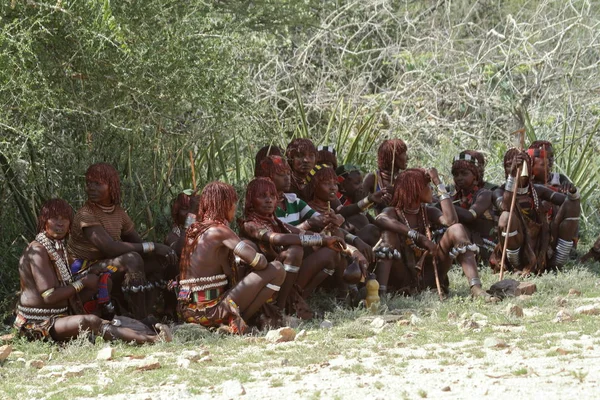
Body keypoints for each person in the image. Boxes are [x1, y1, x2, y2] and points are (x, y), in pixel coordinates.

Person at [15, 199, 170, 344]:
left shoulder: (57, 246)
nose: (60, 223)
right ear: (44, 221)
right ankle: (152, 340)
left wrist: (91, 280)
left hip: (61, 313)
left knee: (101, 284)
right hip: (38, 323)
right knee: (88, 322)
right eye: (54, 218)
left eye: (65, 219)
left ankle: (134, 328)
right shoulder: (38, 250)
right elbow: (49, 296)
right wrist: (82, 282)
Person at [67, 163, 177, 320]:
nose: (90, 188)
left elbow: (136, 242)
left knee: (162, 260)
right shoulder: (86, 214)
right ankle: (141, 319)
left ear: (111, 186)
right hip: (86, 270)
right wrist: (153, 246)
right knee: (132, 259)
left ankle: (167, 311)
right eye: (89, 183)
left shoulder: (118, 213)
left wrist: (158, 252)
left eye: (97, 184)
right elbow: (110, 248)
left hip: (109, 266)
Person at [176, 181, 286, 333]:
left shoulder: (193, 230)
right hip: (210, 312)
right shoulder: (220, 230)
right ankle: (238, 322)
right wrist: (258, 254)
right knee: (277, 269)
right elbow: (259, 263)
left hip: (186, 312)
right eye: (234, 202)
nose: (235, 208)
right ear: (226, 204)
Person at [374, 168, 494, 300]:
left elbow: (451, 220)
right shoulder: (393, 212)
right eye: (428, 186)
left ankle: (476, 288)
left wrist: (438, 182)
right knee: (388, 235)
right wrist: (419, 237)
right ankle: (380, 294)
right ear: (416, 190)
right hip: (403, 277)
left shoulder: (428, 211)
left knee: (457, 229)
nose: (432, 189)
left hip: (429, 275)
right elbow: (381, 219)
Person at [239, 177, 346, 317]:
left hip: (285, 278)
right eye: (262, 196)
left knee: (330, 253)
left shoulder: (275, 221)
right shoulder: (250, 224)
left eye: (272, 196)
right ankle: (281, 308)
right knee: (295, 251)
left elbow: (300, 232)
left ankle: (296, 299)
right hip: (267, 281)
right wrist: (321, 240)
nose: (269, 200)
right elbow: (277, 238)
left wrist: (326, 239)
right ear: (251, 200)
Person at [493, 150, 580, 274]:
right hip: (516, 243)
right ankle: (516, 266)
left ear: (529, 168)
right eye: (508, 165)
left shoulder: (537, 190)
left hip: (540, 245)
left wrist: (572, 191)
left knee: (572, 202)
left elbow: (568, 202)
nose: (515, 167)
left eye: (521, 164)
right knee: (506, 217)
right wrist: (513, 177)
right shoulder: (499, 191)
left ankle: (556, 262)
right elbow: (506, 206)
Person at [450, 151, 496, 263]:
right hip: (464, 243)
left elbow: (469, 216)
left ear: (475, 176)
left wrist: (445, 204)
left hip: (485, 245)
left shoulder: (485, 194)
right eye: (456, 174)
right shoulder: (454, 196)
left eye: (464, 173)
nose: (459, 178)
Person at [363, 139, 409, 213]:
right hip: (382, 223)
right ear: (392, 157)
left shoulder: (405, 179)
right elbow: (359, 205)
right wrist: (376, 201)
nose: (407, 157)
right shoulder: (372, 178)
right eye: (404, 153)